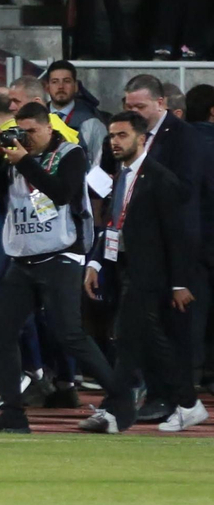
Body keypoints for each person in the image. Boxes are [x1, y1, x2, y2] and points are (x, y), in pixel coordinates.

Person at [0, 103, 123, 432]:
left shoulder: (71, 154)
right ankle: (13, 412)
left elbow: (61, 193)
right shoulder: (14, 156)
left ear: (48, 128)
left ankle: (120, 394)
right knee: (2, 334)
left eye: (32, 132)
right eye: (21, 131)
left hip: (61, 257)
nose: (26, 138)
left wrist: (23, 161)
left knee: (70, 335)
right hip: (22, 259)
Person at [87, 111, 205, 432]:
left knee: (129, 340)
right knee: (140, 342)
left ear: (142, 139)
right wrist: (97, 262)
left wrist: (179, 283)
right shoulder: (123, 176)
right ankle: (183, 402)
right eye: (112, 135)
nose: (114, 141)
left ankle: (118, 411)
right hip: (127, 270)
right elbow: (113, 224)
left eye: (122, 135)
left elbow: (177, 235)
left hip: (151, 275)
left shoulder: (159, 179)